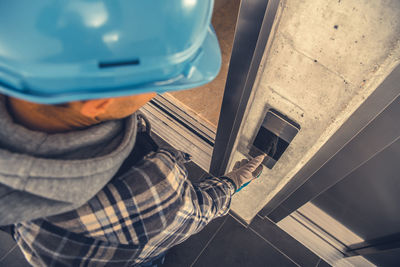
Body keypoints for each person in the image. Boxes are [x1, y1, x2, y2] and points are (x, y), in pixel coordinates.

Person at [0, 1, 265, 266]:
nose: (161, 90)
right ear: (100, 99)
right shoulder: (148, 187)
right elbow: (197, 212)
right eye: (160, 81)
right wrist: (232, 183)